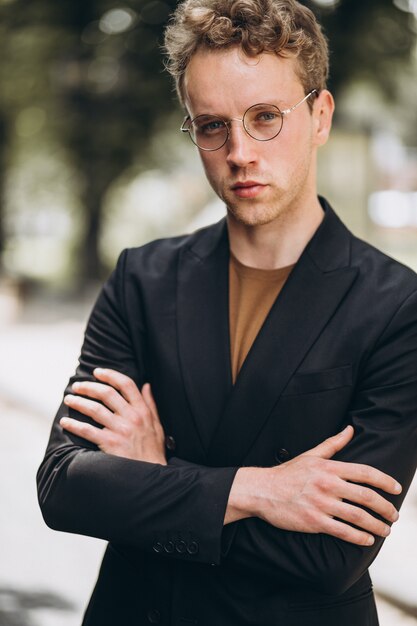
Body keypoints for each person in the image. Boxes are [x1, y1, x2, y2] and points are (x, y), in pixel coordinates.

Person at [37, 1, 417, 625]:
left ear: (320, 116)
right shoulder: (142, 278)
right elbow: (66, 487)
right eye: (211, 126)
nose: (239, 150)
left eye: (265, 116)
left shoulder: (397, 306)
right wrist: (256, 490)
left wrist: (154, 478)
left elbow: (330, 553)